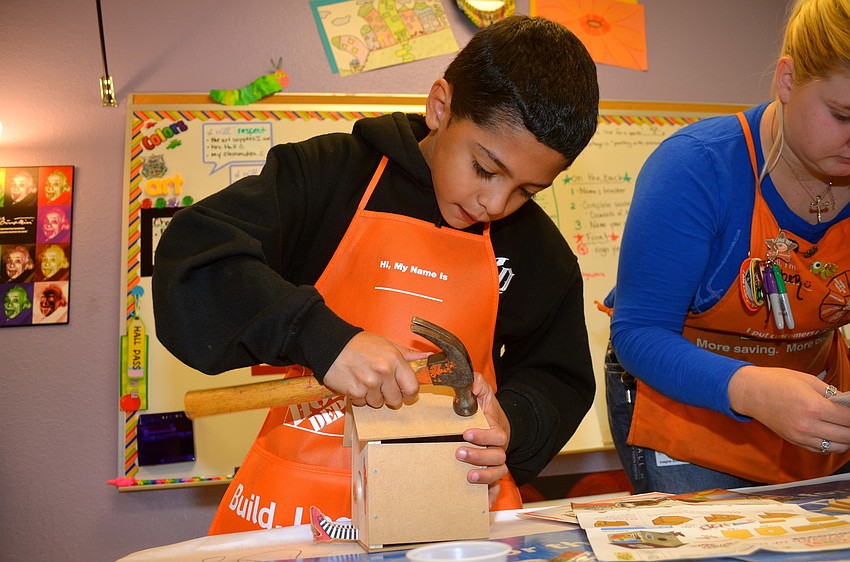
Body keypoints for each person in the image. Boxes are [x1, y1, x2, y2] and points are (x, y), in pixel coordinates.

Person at [153, 15, 598, 535]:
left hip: (452, 511)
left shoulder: (537, 249)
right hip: (299, 513)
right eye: (485, 168)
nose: (495, 203)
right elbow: (196, 254)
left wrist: (511, 423)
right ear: (440, 107)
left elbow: (558, 376)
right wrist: (323, 338)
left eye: (527, 190)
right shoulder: (329, 175)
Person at [603, 0, 850, 495]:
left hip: (814, 405)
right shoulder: (696, 169)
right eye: (843, 115)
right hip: (688, 407)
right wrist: (751, 388)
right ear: (787, 80)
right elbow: (640, 332)